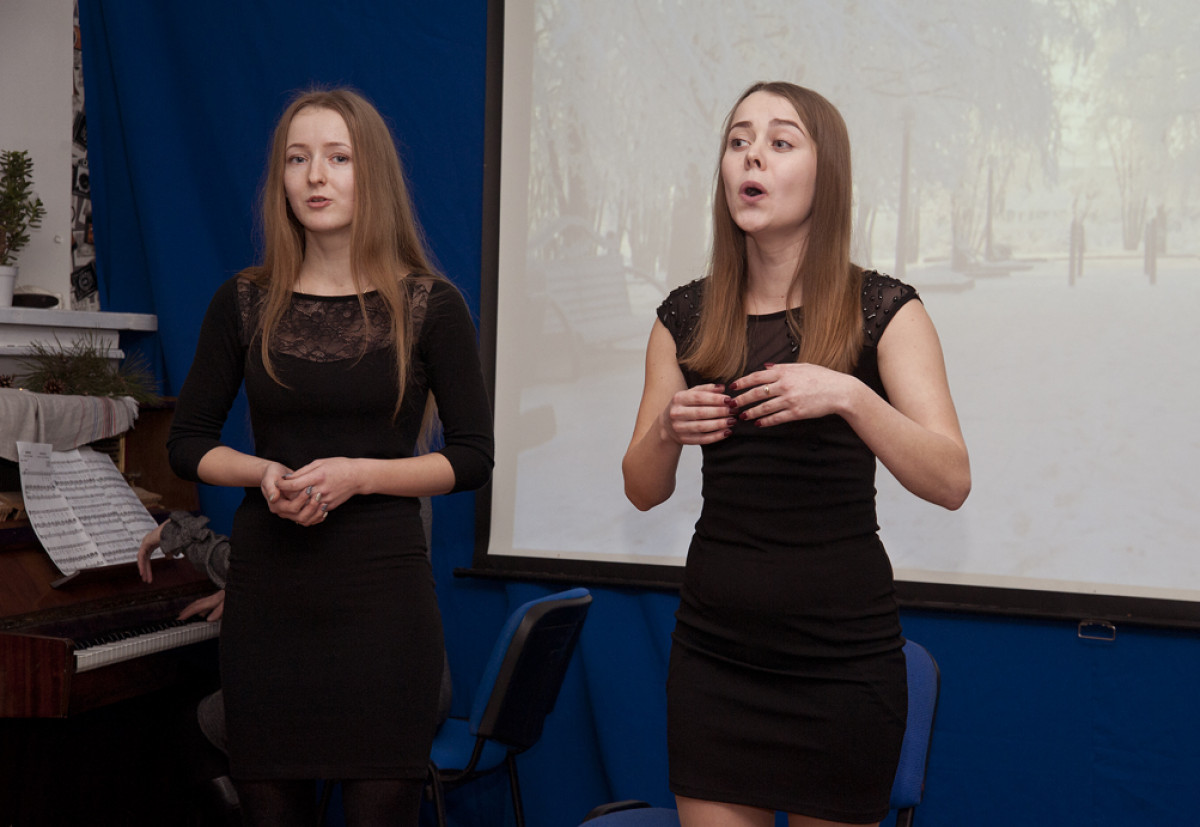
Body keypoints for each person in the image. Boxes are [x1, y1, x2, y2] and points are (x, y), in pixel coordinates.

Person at [621, 81, 970, 827]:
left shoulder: (885, 310)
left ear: (826, 175)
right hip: (715, 662)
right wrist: (666, 431)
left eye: (780, 142)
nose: (752, 155)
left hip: (842, 668)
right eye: (738, 140)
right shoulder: (685, 315)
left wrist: (849, 395)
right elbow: (642, 490)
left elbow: (950, 479)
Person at [166, 87, 494, 826]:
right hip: (268, 607)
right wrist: (262, 473)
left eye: (338, 158)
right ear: (280, 179)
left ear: (371, 172)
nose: (315, 175)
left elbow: (473, 458)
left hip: (383, 608)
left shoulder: (430, 305)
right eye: (298, 158)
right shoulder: (242, 301)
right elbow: (186, 444)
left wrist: (360, 476)